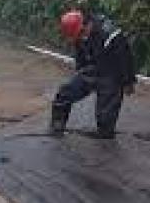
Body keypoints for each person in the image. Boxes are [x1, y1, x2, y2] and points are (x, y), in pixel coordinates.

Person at [50, 10, 136, 139]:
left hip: (112, 72)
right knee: (65, 92)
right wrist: (80, 75)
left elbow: (125, 57)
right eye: (77, 36)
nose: (81, 37)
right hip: (92, 68)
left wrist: (128, 81)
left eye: (81, 34)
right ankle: (58, 123)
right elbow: (80, 55)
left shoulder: (110, 33)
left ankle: (105, 132)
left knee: (106, 113)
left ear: (87, 25)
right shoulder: (79, 34)